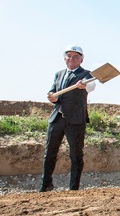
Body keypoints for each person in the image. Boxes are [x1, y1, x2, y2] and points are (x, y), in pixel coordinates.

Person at [41, 45, 96, 192]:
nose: (72, 59)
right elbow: (54, 90)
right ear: (65, 58)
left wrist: (84, 86)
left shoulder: (86, 74)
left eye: (76, 56)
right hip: (57, 118)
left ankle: (74, 188)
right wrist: (51, 96)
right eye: (69, 56)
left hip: (75, 120)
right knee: (50, 153)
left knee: (75, 154)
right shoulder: (59, 74)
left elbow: (92, 86)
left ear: (81, 59)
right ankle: (45, 185)